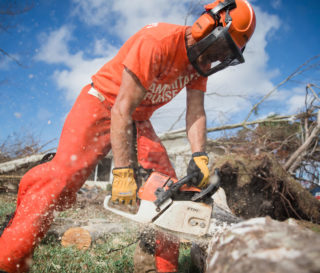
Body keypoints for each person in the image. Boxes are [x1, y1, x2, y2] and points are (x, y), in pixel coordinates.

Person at [0, 0, 256, 272]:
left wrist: (199, 155)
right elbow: (121, 108)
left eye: (226, 53)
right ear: (208, 25)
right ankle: (10, 258)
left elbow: (195, 111)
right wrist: (123, 172)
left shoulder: (200, 62)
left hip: (138, 118)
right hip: (101, 103)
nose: (217, 57)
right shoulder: (156, 42)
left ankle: (158, 267)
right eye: (221, 47)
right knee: (62, 181)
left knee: (171, 194)